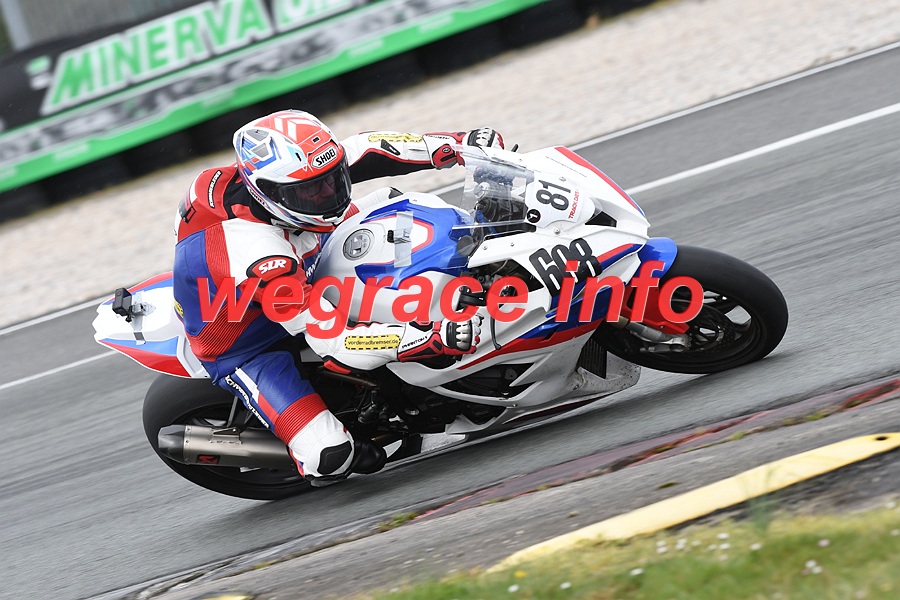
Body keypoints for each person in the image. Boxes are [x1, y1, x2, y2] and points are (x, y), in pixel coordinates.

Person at [172, 109, 503, 485]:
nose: (328, 195)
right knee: (331, 455)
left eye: (332, 180)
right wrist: (422, 339)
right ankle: (303, 448)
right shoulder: (256, 254)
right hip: (250, 341)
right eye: (310, 191)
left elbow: (368, 149)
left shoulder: (283, 182)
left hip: (300, 249)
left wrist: (460, 145)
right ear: (268, 193)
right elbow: (330, 336)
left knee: (396, 205)